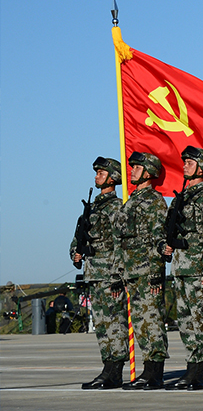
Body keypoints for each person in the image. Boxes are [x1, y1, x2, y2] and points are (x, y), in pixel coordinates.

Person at [162, 146, 203, 391]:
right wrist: (166, 247)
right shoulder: (179, 199)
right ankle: (191, 363)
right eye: (184, 162)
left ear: (201, 167)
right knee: (185, 321)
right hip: (180, 268)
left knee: (200, 319)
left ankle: (199, 370)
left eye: (189, 162)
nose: (184, 166)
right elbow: (168, 231)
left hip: (198, 269)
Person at [116, 152, 169, 390]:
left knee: (152, 320)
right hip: (132, 271)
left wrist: (156, 271)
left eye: (137, 167)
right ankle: (147, 369)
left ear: (148, 173)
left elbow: (159, 237)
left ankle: (154, 373)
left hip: (148, 270)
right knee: (139, 322)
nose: (132, 171)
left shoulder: (154, 201)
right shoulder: (131, 201)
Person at [73, 157, 126, 389]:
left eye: (101, 173)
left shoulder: (117, 207)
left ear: (113, 178)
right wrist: (76, 253)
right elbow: (78, 237)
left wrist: (117, 275)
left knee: (115, 322)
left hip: (110, 274)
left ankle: (115, 371)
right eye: (96, 173)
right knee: (102, 324)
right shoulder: (92, 208)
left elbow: (121, 243)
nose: (97, 177)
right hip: (93, 273)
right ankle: (107, 365)